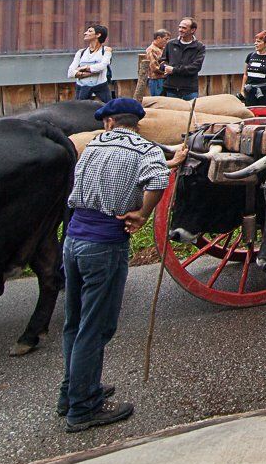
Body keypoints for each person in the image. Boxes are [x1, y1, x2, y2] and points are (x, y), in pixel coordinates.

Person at [58, 97, 184, 432]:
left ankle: (71, 393)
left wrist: (168, 162)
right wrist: (143, 214)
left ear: (110, 122)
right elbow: (156, 181)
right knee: (96, 327)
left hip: (73, 241)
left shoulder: (95, 144)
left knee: (74, 322)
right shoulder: (146, 150)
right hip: (104, 246)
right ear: (136, 123)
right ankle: (83, 409)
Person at [160, 18, 205, 101]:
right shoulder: (171, 44)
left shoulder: (199, 47)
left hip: (189, 90)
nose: (180, 30)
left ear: (193, 30)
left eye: (184, 28)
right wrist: (164, 67)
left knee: (191, 113)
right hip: (171, 88)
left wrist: (174, 70)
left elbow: (195, 67)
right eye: (180, 27)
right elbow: (162, 61)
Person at [68, 24, 113, 102]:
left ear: (98, 35)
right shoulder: (81, 52)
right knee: (80, 109)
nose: (85, 33)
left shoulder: (106, 50)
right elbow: (70, 73)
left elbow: (102, 66)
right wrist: (89, 73)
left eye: (90, 31)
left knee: (109, 107)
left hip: (101, 86)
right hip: (82, 87)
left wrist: (82, 68)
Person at [242, 31, 266, 107]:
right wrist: (242, 90)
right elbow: (245, 75)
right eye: (255, 41)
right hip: (250, 92)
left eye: (258, 41)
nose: (255, 43)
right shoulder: (250, 56)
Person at [138, 30, 169, 98]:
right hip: (156, 80)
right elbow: (154, 67)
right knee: (158, 101)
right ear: (158, 38)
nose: (167, 42)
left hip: (165, 79)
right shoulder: (151, 50)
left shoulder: (163, 49)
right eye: (166, 39)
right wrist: (168, 71)